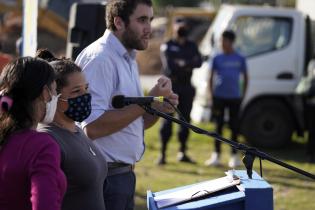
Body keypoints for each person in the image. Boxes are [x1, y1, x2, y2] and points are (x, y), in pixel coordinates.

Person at [75, 0, 178, 209]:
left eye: (150, 19)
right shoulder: (101, 59)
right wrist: (147, 101)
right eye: (142, 20)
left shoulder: (127, 57)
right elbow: (92, 127)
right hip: (104, 179)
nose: (149, 27)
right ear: (119, 22)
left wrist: (157, 108)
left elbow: (134, 124)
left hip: (122, 175)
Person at [37, 50, 107, 210]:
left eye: (86, 88)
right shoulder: (47, 139)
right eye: (76, 91)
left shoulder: (76, 129)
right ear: (53, 96)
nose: (86, 96)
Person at [0, 57, 66, 210]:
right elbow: (44, 204)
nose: (55, 97)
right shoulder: (42, 146)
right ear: (44, 92)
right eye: (55, 90)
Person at [158, 18, 202, 165]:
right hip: (172, 88)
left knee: (185, 121)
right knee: (167, 121)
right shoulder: (168, 45)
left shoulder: (191, 45)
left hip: (187, 87)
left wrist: (182, 63)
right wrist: (187, 63)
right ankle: (163, 154)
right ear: (174, 27)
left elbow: (199, 62)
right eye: (179, 25)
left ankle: (183, 152)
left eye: (184, 25)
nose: (182, 28)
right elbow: (170, 67)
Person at [205, 30, 248, 168]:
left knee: (234, 126)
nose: (221, 44)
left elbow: (246, 77)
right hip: (219, 97)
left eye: (223, 41)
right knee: (218, 126)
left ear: (231, 42)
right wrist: (211, 95)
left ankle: (234, 156)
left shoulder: (240, 58)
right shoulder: (217, 58)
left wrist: (243, 95)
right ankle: (216, 155)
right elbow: (210, 77)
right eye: (220, 41)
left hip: (235, 97)